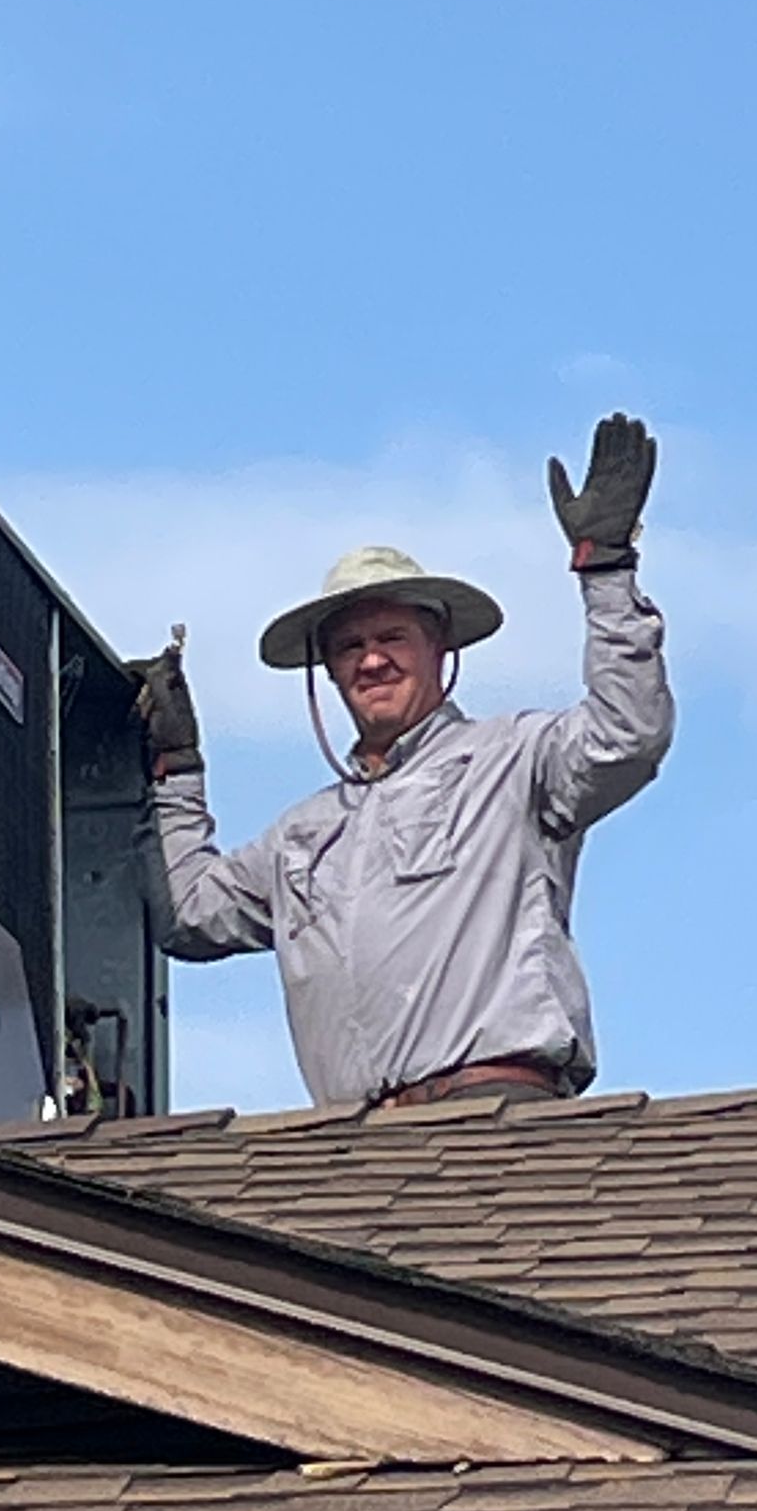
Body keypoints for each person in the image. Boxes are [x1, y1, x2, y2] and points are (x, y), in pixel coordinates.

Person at [130, 414, 673, 1108]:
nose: (373, 658)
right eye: (350, 646)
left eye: (392, 637)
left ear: (439, 651)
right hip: (361, 1148)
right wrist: (178, 770)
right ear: (326, 671)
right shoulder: (304, 834)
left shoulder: (511, 760)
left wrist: (606, 570)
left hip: (497, 1111)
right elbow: (191, 915)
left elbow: (628, 735)